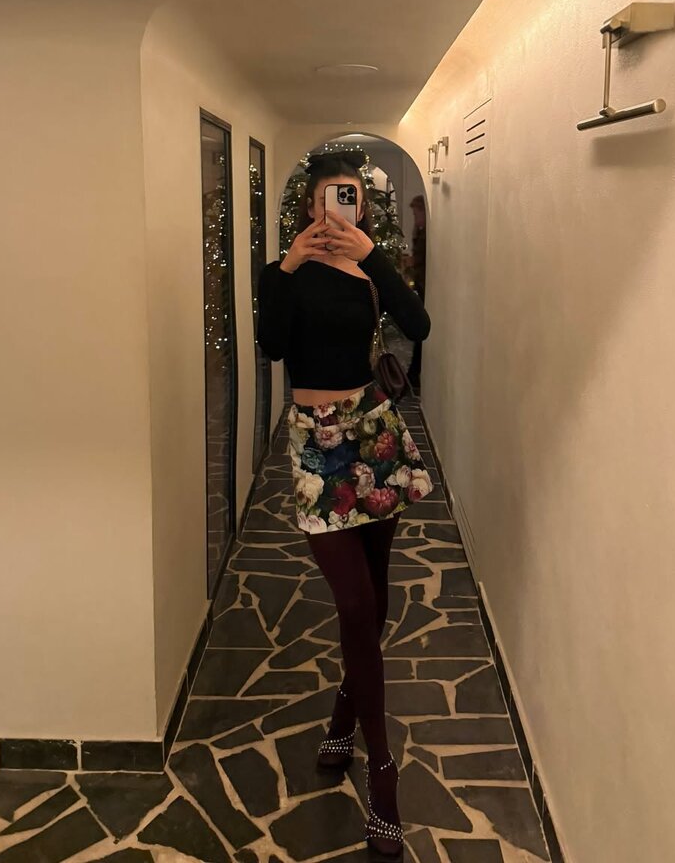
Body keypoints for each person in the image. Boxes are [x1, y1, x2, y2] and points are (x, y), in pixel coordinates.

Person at [256, 149, 434, 860]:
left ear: (363, 206)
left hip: (373, 434)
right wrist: (289, 266)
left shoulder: (369, 270)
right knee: (354, 604)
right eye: (333, 195)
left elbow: (418, 325)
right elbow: (272, 346)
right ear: (310, 206)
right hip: (314, 444)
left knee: (376, 598)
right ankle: (382, 772)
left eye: (354, 196)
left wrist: (374, 259)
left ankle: (342, 714)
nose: (343, 205)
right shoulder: (282, 274)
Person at [406, 194, 427, 388]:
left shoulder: (426, 235)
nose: (415, 218)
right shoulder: (420, 232)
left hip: (424, 285)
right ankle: (414, 372)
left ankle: (414, 372)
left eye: (416, 213)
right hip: (421, 284)